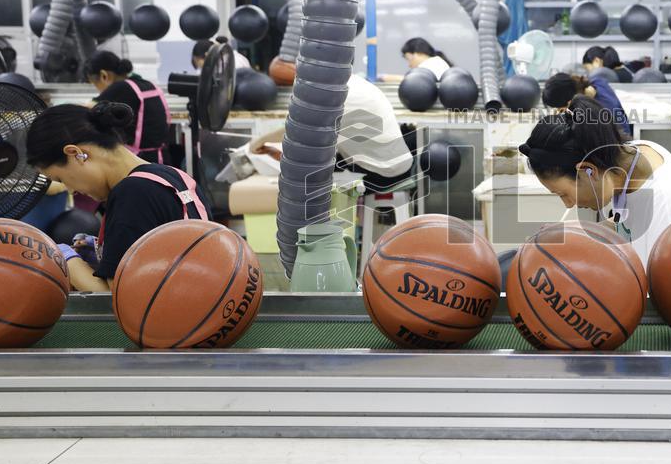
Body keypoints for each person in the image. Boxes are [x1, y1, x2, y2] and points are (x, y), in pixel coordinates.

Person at [26, 102, 212, 292]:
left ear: (76, 154)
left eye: (61, 179)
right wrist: (108, 252)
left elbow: (115, 297)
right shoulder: (173, 175)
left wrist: (63, 258)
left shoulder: (132, 193)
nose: (71, 190)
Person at [519, 96, 671, 267]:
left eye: (563, 194)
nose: (568, 204)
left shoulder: (667, 204)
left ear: (588, 170)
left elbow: (668, 286)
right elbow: (626, 223)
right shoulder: (632, 156)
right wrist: (570, 233)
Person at [253, 74, 415, 193]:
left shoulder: (338, 99)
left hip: (385, 174)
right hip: (394, 162)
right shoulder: (355, 82)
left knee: (311, 182)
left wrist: (260, 141)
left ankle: (322, 227)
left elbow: (298, 131)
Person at [86, 50, 171, 164]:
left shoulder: (120, 87)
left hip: (141, 161)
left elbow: (87, 109)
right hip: (161, 158)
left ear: (104, 76)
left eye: (95, 85)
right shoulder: (146, 84)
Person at [542, 72, 632, 136]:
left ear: (568, 102)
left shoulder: (591, 116)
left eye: (559, 108)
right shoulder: (598, 82)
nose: (559, 111)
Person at [377, 38, 453, 83]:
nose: (409, 65)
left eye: (408, 59)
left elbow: (415, 81)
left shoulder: (434, 63)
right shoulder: (435, 61)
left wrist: (385, 77)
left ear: (417, 53)